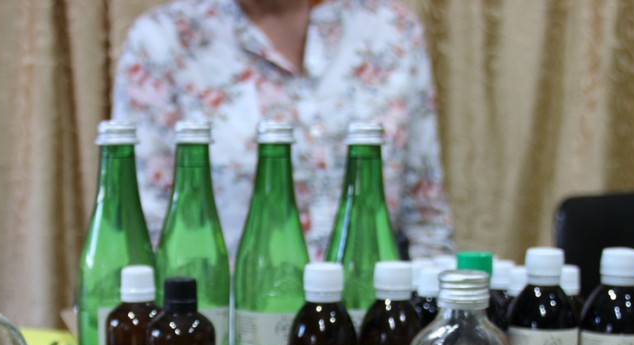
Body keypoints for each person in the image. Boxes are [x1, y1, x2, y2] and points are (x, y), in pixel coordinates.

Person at [111, 0, 455, 261]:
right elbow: (146, 226)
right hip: (230, 319)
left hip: (371, 318)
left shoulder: (391, 30)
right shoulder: (165, 40)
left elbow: (426, 214)